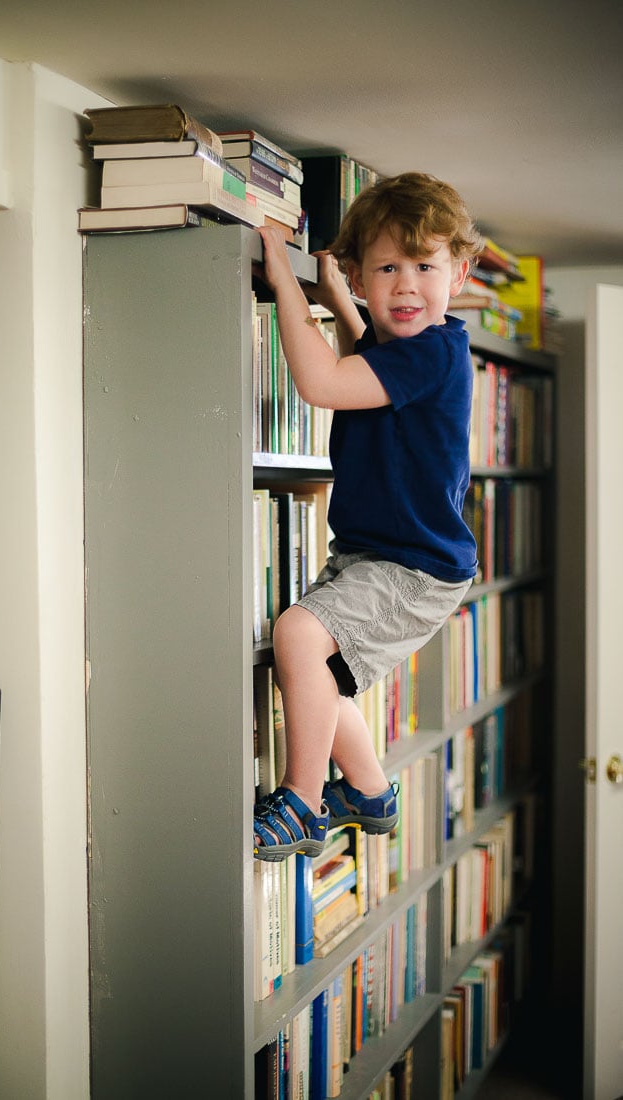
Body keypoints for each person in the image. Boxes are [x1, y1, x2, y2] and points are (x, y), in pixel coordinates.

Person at [253, 171, 485, 862]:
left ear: (460, 271)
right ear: (360, 277)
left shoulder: (434, 353)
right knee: (320, 674)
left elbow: (323, 381)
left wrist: (281, 271)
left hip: (414, 566)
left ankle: (303, 800)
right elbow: (367, 352)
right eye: (385, 268)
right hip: (381, 554)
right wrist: (330, 287)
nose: (406, 285)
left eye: (424, 266)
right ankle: (371, 792)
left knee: (296, 635)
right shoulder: (407, 352)